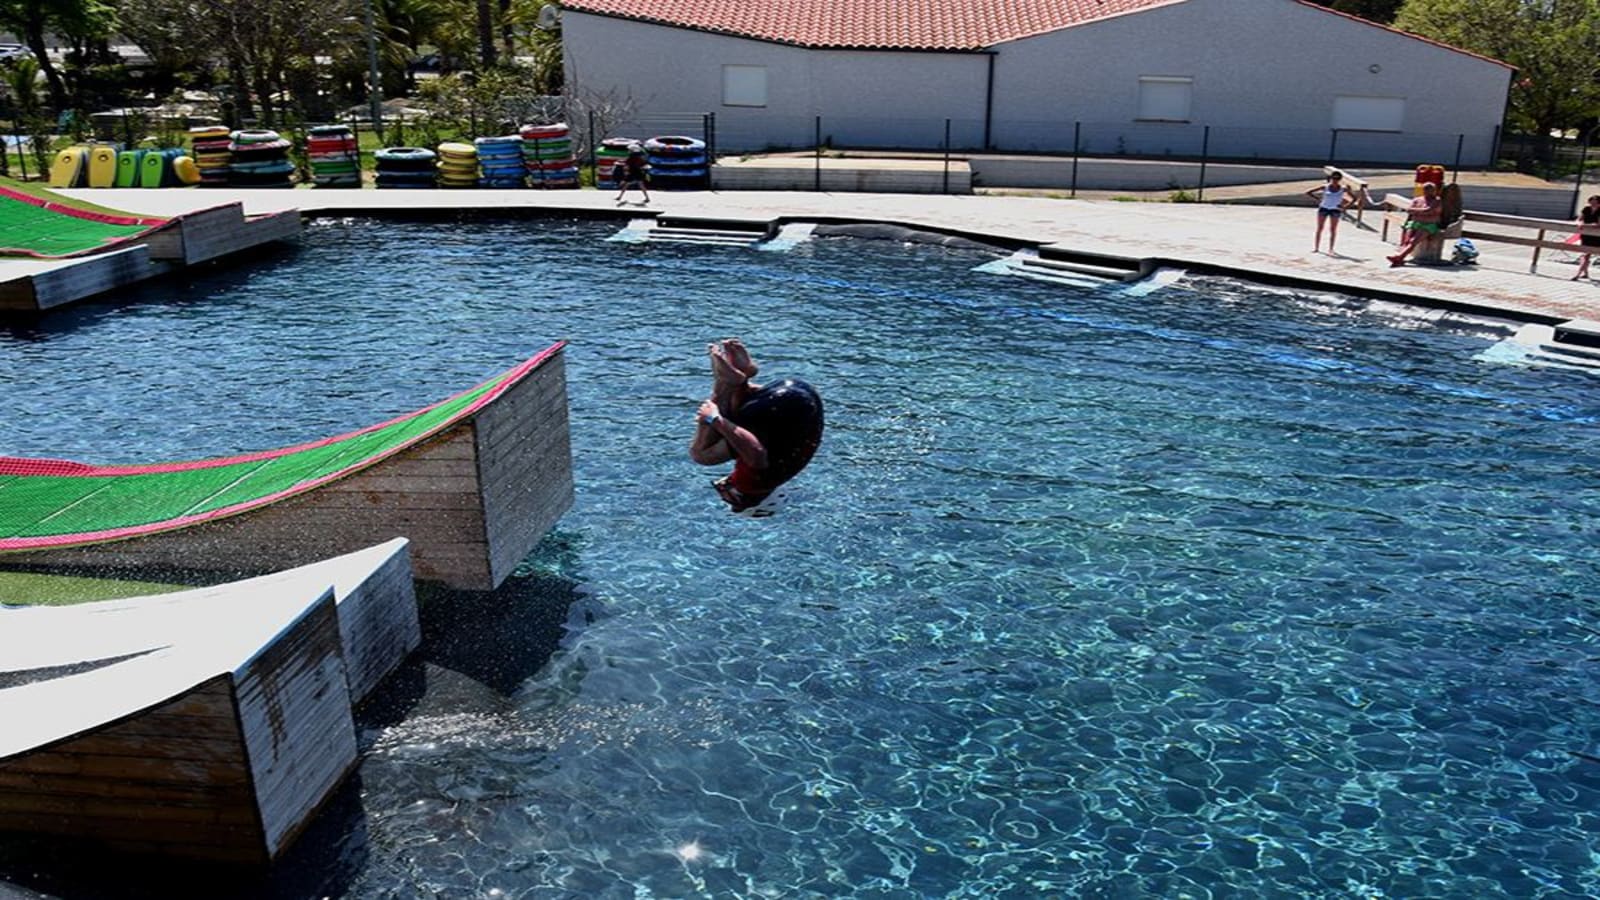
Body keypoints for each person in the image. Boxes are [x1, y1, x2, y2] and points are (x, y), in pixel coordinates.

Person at [690, 338, 824, 513]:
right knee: (702, 455)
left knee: (736, 425)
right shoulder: (751, 486)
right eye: (731, 502)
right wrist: (714, 419)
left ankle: (743, 378)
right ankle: (728, 382)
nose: (724, 497)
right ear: (743, 499)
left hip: (800, 393)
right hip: (783, 406)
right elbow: (755, 452)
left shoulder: (782, 473)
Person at [1386, 181, 1441, 267]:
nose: (1430, 192)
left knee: (1413, 241)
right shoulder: (1417, 199)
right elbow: (1409, 210)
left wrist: (1417, 211)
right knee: (1406, 240)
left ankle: (1399, 257)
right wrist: (1422, 211)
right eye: (1427, 190)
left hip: (1428, 224)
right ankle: (1399, 257)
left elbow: (1428, 210)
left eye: (1432, 190)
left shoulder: (1437, 200)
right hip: (1415, 223)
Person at [1306, 171, 1352, 254]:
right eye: (1333, 178)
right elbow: (1309, 192)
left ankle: (1331, 249)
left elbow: (1354, 198)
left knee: (1333, 229)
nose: (1335, 180)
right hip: (1324, 208)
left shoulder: (1343, 188)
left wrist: (1345, 206)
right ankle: (1316, 248)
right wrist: (1319, 199)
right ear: (1330, 178)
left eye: (1337, 179)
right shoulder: (1325, 187)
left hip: (1335, 210)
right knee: (1320, 228)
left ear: (1340, 179)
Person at [1575, 194, 1600, 280]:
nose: (1593, 204)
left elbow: (1598, 224)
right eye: (1591, 202)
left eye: (1595, 202)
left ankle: (1578, 274)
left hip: (1596, 236)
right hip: (1586, 234)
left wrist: (1586, 225)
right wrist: (1580, 223)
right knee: (1585, 254)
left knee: (1586, 254)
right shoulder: (1586, 209)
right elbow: (1579, 219)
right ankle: (1585, 273)